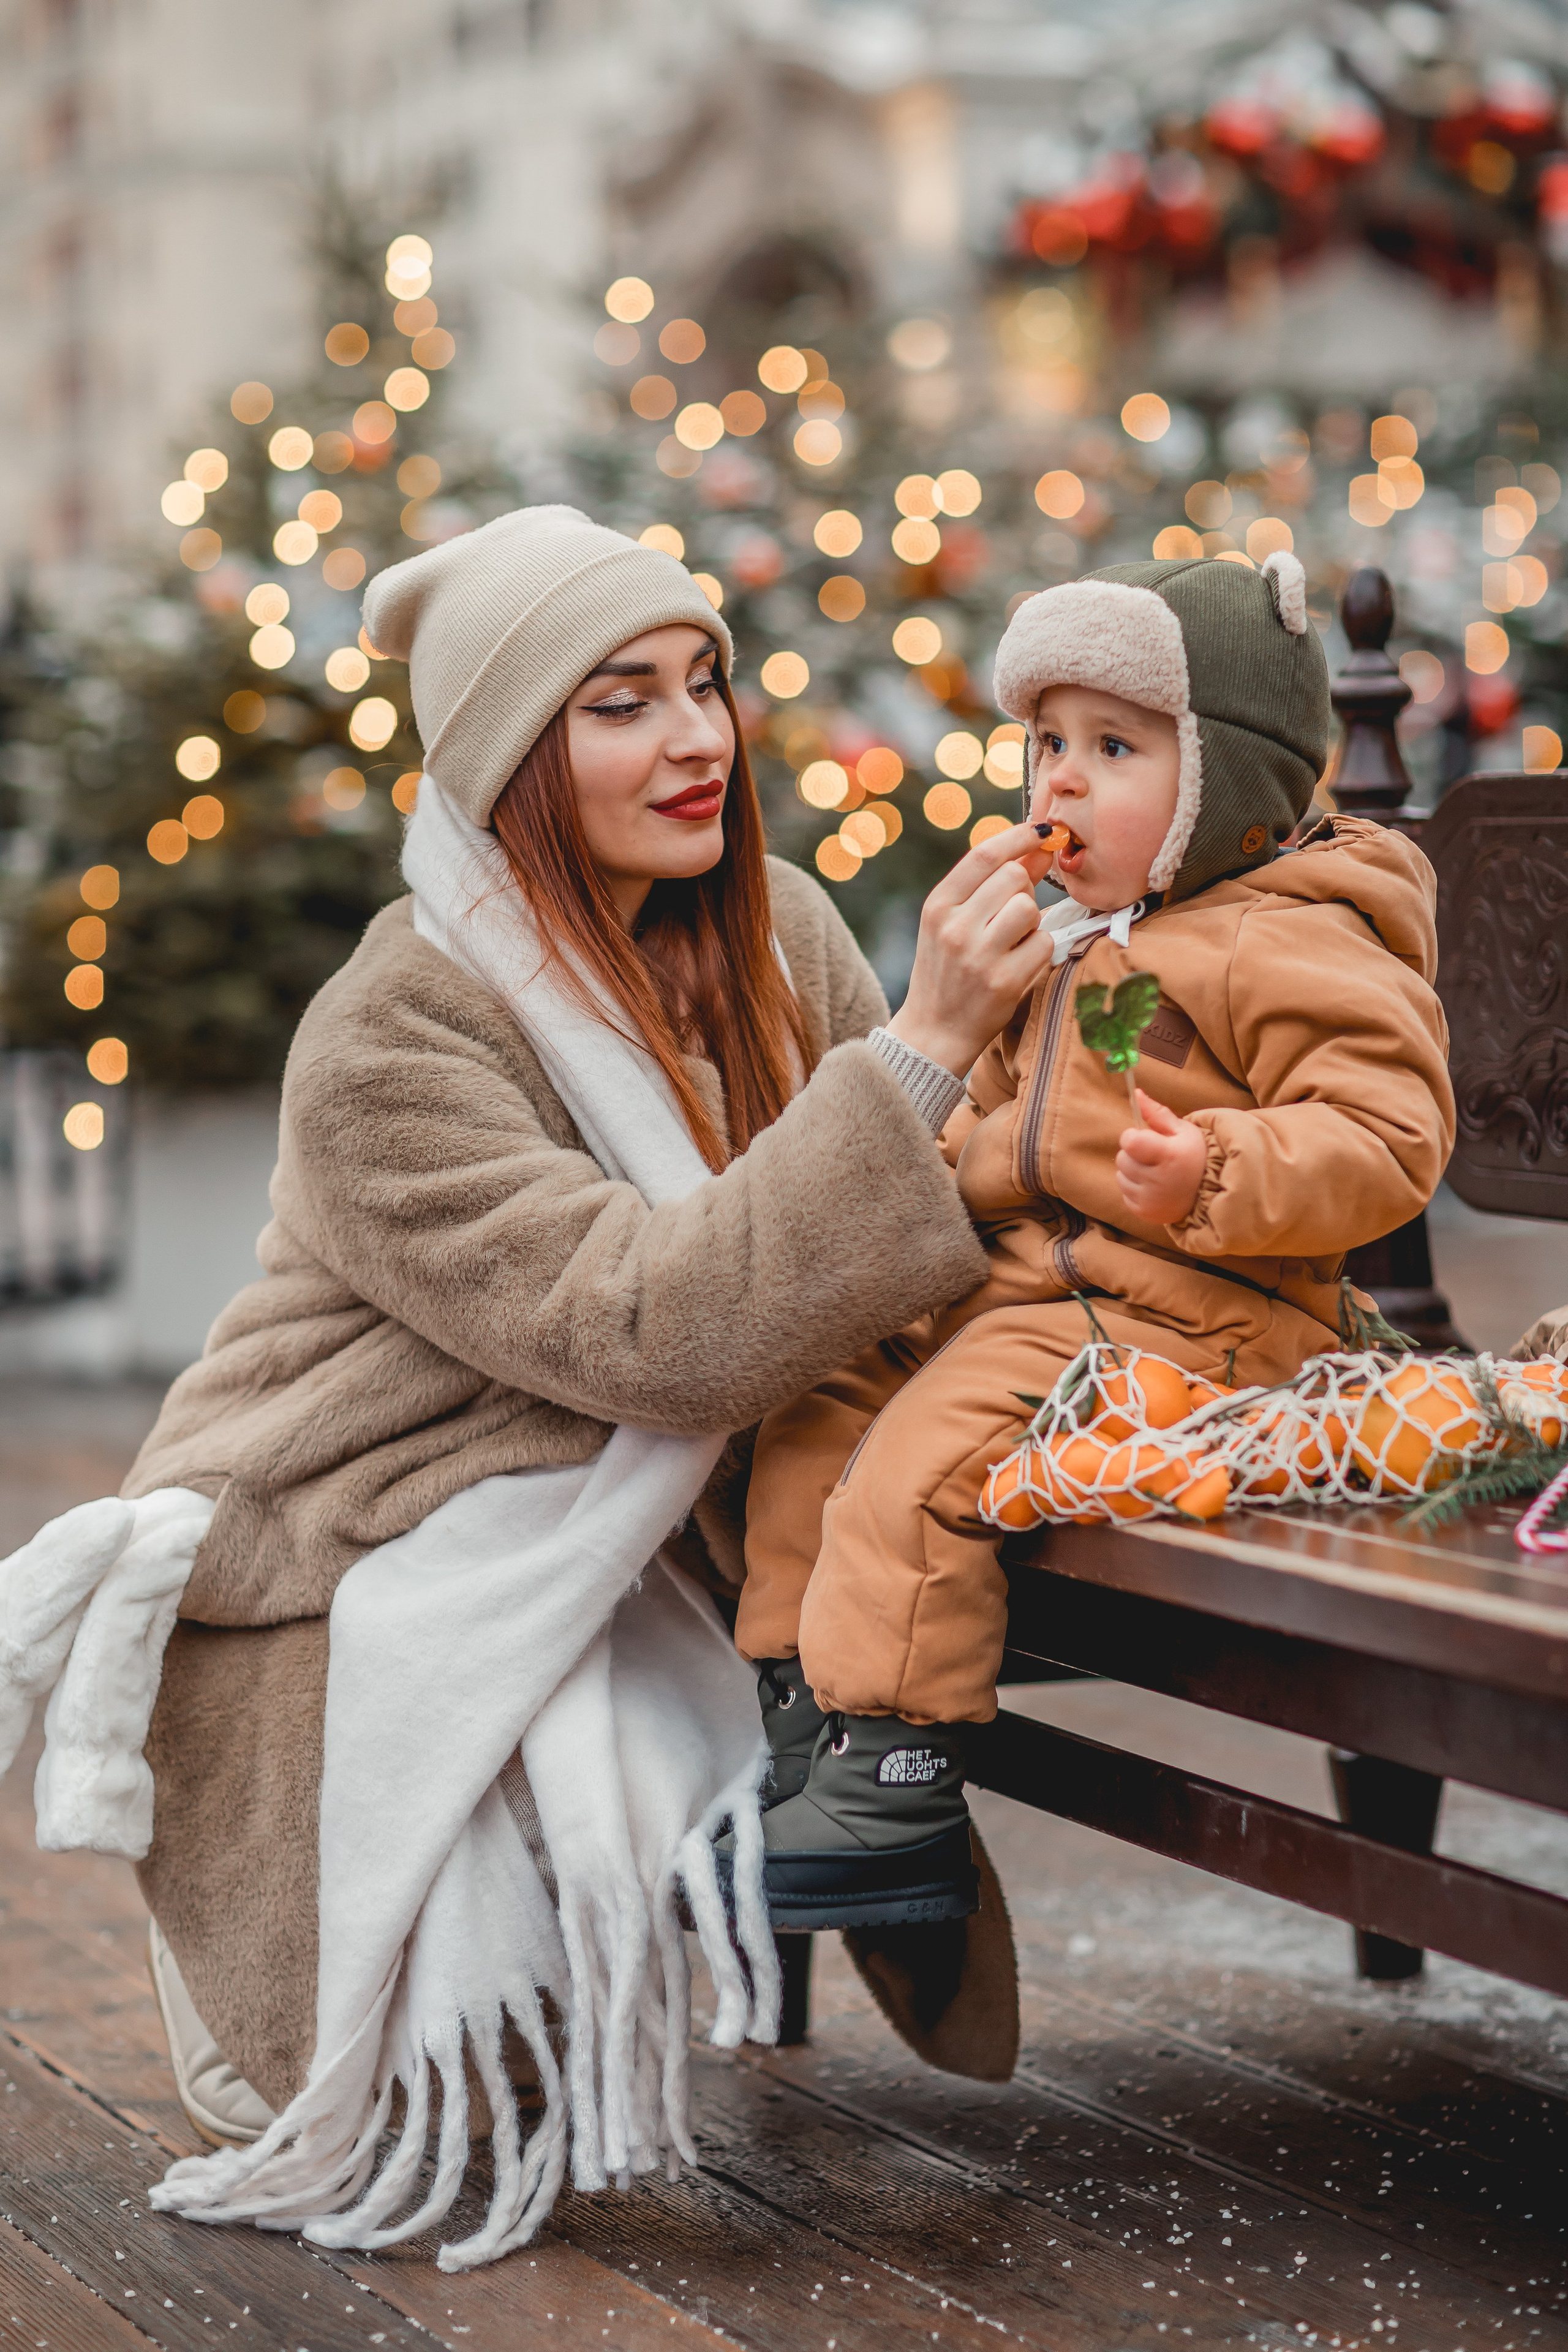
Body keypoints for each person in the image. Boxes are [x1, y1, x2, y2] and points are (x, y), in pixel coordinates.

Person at [0, 507, 1057, 2263]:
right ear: (509, 761)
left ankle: (727, 1843)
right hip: (358, 1520)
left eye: (703, 681)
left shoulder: (779, 942)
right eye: (619, 703)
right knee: (418, 2112)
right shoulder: (389, 1035)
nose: (697, 737)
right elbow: (657, 1331)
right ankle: (290, 1966)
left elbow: (898, 1238)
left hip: (650, 1494)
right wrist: (928, 1045)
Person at [737, 551, 1458, 1926]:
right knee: (821, 1387)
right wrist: (914, 1181)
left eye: (1113, 748)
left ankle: (893, 1770)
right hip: (1034, 1306)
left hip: (1205, 1330)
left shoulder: (1282, 941)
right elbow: (985, 1119)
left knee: (930, 1448)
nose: (1058, 783)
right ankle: (800, 1712)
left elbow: (1386, 1139)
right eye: (1048, 744)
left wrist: (1213, 1168)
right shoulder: (1069, 944)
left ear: (1226, 782)